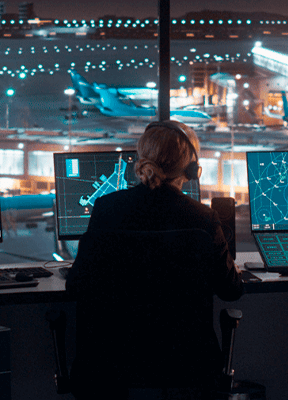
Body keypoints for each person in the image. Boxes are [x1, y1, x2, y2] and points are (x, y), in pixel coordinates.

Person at [66, 120, 243, 399]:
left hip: (112, 366)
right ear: (191, 170)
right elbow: (231, 290)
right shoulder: (203, 218)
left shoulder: (105, 209)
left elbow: (75, 286)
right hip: (186, 366)